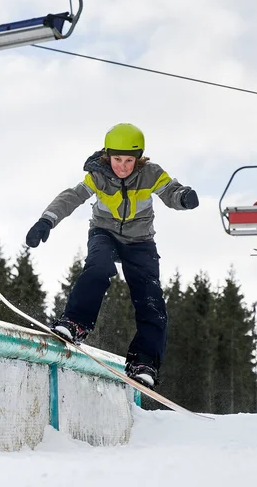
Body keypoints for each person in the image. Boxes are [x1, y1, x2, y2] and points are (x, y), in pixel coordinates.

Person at [25, 123, 199, 389]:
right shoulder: (98, 175)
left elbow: (170, 191)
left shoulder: (151, 173)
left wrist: (184, 197)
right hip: (104, 233)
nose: (123, 166)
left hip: (140, 241)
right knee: (98, 268)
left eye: (130, 160)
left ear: (139, 159)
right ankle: (75, 323)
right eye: (118, 159)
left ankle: (144, 362)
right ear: (108, 156)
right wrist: (46, 221)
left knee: (151, 299)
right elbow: (71, 197)